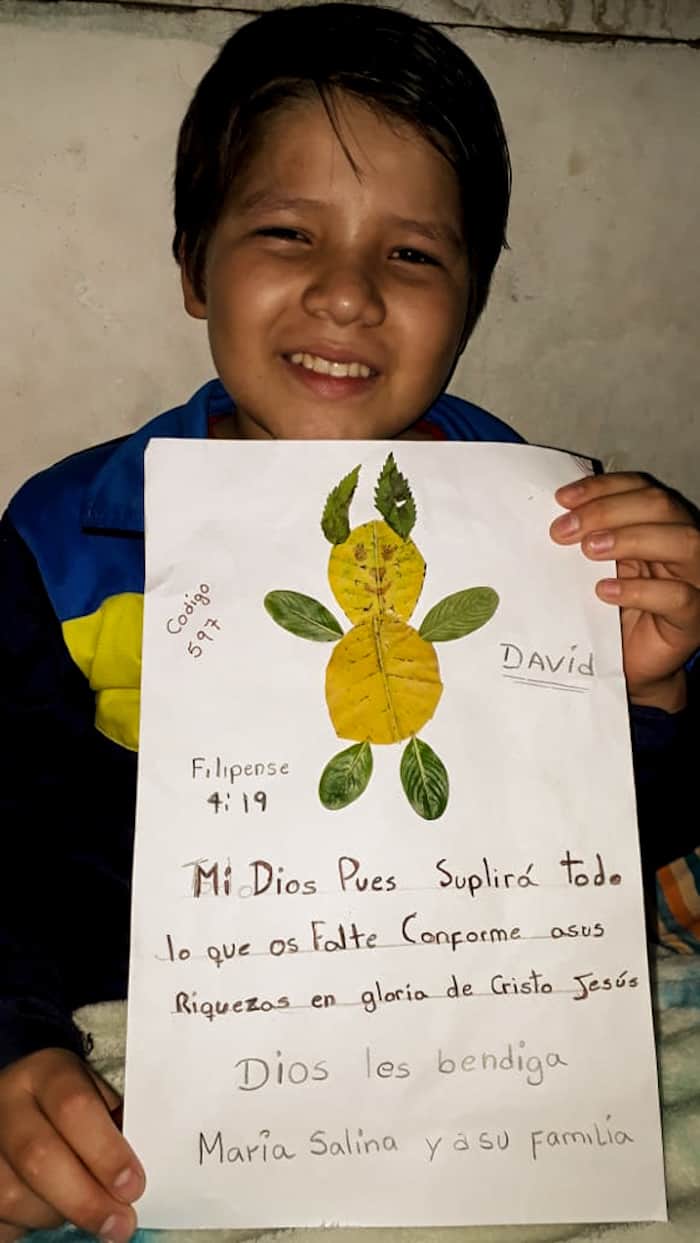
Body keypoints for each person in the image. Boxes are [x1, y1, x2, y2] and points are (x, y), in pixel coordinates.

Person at [0, 5, 698, 1241]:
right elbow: (8, 824)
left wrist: (648, 698)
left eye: (413, 256)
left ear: (472, 293)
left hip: (480, 1043)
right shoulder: (64, 540)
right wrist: (15, 1041)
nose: (345, 293)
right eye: (285, 232)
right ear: (190, 261)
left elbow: (598, 862)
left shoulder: (555, 529)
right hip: (169, 1036)